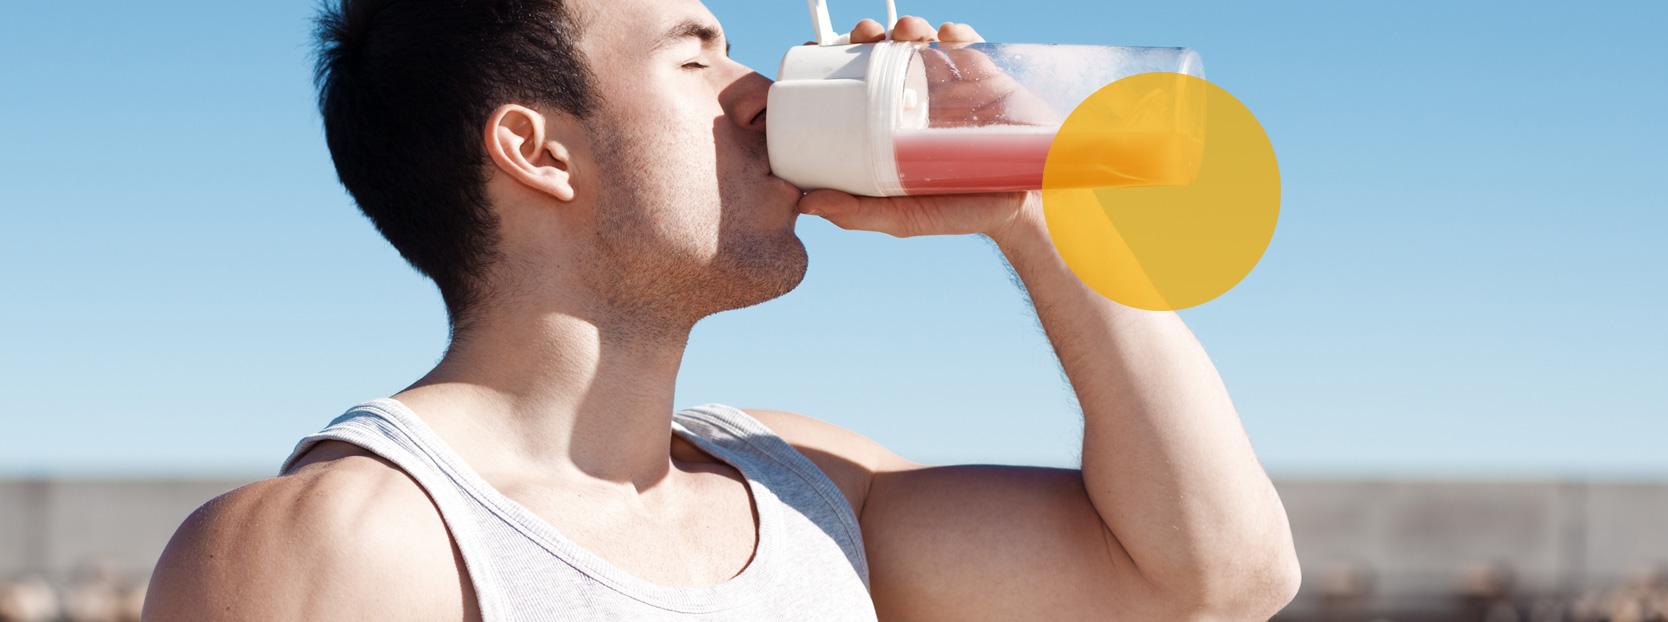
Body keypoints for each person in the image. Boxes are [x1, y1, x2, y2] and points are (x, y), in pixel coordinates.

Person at [142, 0, 1300, 619]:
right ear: (538, 150)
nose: (758, 92)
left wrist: (1025, 207)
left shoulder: (810, 490)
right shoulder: (336, 550)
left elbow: (1218, 580)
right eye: (697, 55)